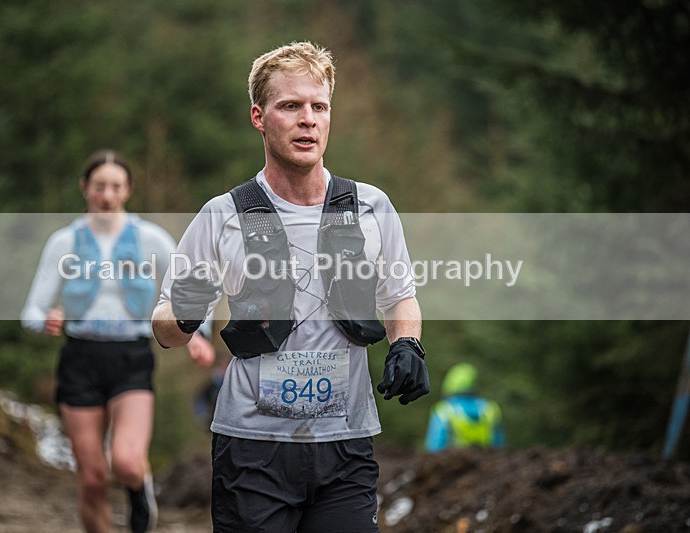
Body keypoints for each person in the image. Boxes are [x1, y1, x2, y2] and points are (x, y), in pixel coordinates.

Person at [152, 42, 430, 532]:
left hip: (346, 445)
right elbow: (165, 330)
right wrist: (186, 311)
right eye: (290, 106)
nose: (307, 120)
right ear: (259, 117)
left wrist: (407, 343)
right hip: (252, 449)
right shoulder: (224, 215)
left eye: (319, 107)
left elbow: (399, 297)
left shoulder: (369, 207)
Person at [21, 149, 215, 533]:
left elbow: (192, 288)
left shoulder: (150, 239)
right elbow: (31, 310)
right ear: (85, 188)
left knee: (126, 463)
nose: (107, 195)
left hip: (132, 357)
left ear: (128, 190)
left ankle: (139, 488)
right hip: (80, 359)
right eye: (99, 186)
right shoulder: (65, 242)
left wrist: (197, 333)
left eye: (115, 186)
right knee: (92, 480)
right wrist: (45, 320)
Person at [424, 363, 504, 452]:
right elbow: (499, 444)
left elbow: (435, 446)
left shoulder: (444, 410)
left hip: (452, 459)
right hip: (487, 459)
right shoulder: (490, 408)